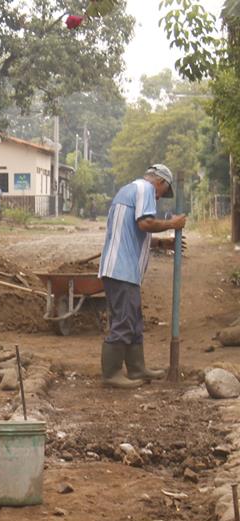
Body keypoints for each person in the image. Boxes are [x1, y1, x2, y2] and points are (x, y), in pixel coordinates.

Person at [98, 163, 186, 389]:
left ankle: (137, 368)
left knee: (134, 320)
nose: (158, 198)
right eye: (162, 193)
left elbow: (132, 231)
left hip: (121, 269)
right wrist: (172, 224)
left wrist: (160, 242)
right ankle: (111, 373)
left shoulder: (129, 190)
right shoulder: (145, 189)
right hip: (122, 270)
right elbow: (145, 223)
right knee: (124, 321)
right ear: (160, 182)